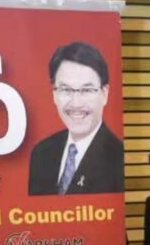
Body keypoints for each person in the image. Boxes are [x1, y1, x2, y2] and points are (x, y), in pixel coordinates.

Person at [28, 41, 123, 195]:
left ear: (104, 94)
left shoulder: (119, 158)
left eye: (86, 90)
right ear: (54, 94)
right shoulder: (41, 153)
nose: (76, 103)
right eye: (66, 90)